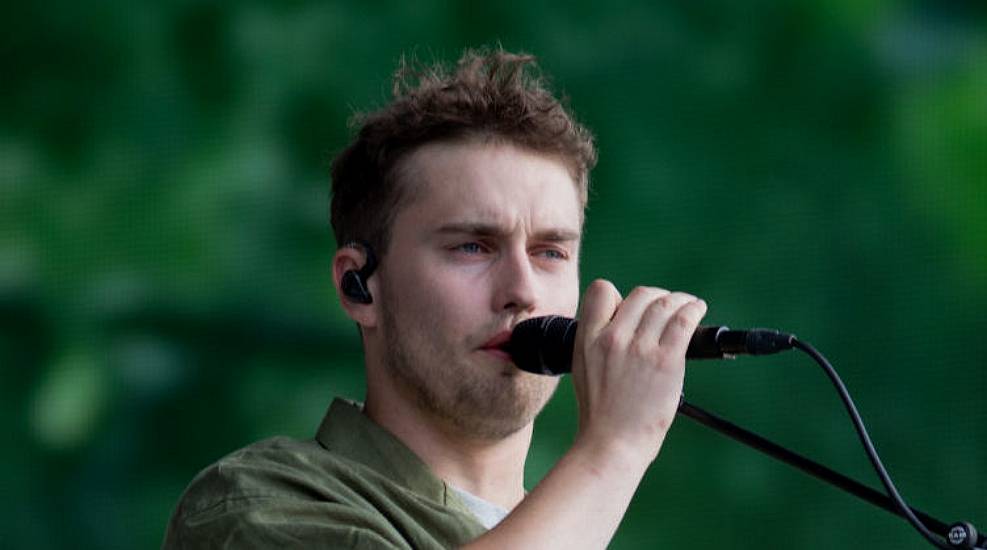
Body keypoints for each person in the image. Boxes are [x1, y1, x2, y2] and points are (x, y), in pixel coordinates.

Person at [163, 47, 707, 549]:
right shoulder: (252, 507)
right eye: (472, 246)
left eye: (550, 253)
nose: (522, 291)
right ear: (361, 286)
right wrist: (613, 451)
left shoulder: (582, 522)